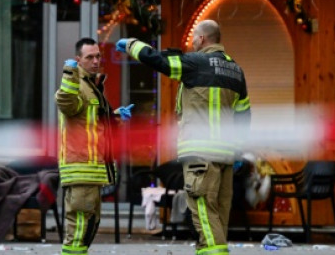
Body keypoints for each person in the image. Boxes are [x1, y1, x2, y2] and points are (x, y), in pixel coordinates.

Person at [117, 20, 251, 255]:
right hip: (226, 158)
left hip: (201, 156)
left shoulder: (195, 63)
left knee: (203, 214)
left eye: (193, 38)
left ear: (201, 39)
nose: (191, 43)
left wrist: (131, 44)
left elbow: (157, 60)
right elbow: (244, 118)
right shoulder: (236, 71)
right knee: (216, 216)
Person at [55, 38, 132, 255]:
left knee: (89, 224)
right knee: (79, 226)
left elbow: (91, 122)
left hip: (92, 169)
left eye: (98, 56)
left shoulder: (91, 86)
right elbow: (66, 103)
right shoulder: (77, 85)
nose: (96, 61)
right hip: (81, 167)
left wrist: (114, 116)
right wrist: (69, 75)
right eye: (90, 57)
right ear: (78, 60)